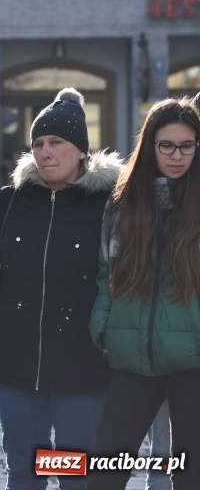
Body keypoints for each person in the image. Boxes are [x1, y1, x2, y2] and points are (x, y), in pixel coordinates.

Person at [0, 88, 122, 490]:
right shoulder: (11, 201)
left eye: (56, 143)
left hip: (85, 365)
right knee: (25, 471)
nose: (45, 153)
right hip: (13, 362)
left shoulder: (110, 205)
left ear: (80, 149)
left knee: (74, 473)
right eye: (38, 144)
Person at [88, 97, 200, 490]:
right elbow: (106, 269)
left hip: (194, 363)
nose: (176, 155)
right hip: (132, 357)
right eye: (166, 145)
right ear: (150, 145)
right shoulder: (124, 201)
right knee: (104, 475)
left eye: (187, 146)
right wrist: (104, 323)